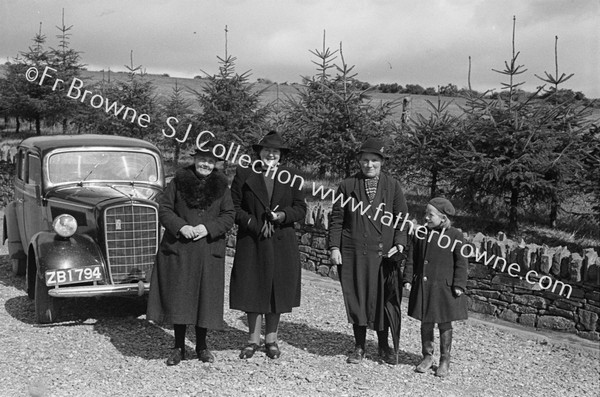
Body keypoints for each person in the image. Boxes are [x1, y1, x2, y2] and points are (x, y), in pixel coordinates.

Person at [147, 143, 235, 366]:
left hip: (208, 249)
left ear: (215, 164)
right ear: (195, 160)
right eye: (202, 159)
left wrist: (208, 228)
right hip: (181, 248)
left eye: (210, 161)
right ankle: (178, 347)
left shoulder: (222, 187)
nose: (205, 164)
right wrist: (181, 226)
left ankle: (202, 346)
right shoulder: (178, 181)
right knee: (180, 297)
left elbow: (229, 215)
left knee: (204, 299)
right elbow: (164, 208)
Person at [328, 138, 409, 364]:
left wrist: (400, 243)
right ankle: (359, 347)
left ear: (382, 162)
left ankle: (383, 347)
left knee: (382, 300)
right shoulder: (347, 185)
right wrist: (334, 247)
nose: (369, 165)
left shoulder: (392, 186)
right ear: (359, 161)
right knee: (358, 298)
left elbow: (402, 218)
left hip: (384, 255)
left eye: (374, 160)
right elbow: (337, 218)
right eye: (365, 160)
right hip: (354, 252)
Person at [229, 130, 307, 360]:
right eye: (267, 150)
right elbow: (234, 207)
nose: (271, 154)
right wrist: (252, 222)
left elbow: (301, 208)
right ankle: (252, 340)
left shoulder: (292, 176)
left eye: (275, 151)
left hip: (282, 241)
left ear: (281, 155)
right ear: (259, 152)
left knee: (277, 289)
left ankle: (271, 339)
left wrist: (282, 215)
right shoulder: (244, 173)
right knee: (252, 286)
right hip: (252, 240)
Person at [405, 197, 468, 377]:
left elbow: (462, 263)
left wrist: (459, 284)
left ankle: (444, 360)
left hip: (445, 289)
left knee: (444, 324)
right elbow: (411, 258)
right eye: (425, 213)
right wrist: (408, 278)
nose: (426, 217)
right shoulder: (421, 233)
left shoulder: (455, 235)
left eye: (430, 214)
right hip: (425, 286)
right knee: (426, 322)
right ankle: (427, 357)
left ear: (443, 218)